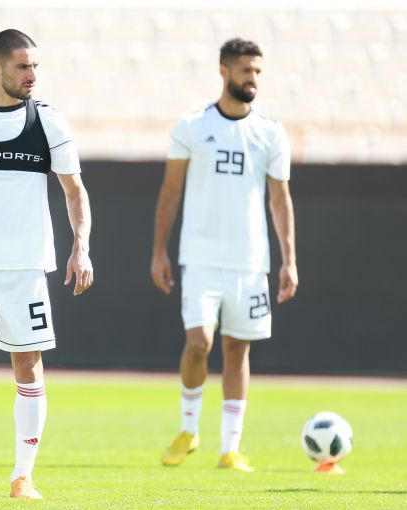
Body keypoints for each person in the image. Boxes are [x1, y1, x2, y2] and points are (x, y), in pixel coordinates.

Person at [0, 29, 93, 500]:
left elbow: (74, 191)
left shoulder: (48, 121)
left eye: (34, 67)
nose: (31, 75)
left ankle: (22, 476)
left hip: (26, 268)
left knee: (28, 366)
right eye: (22, 66)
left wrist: (81, 246)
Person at [151, 38, 298, 472]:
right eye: (245, 70)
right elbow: (170, 191)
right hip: (199, 259)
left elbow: (280, 199)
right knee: (199, 342)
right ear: (224, 71)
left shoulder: (271, 131)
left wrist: (289, 259)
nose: (252, 79)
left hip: (251, 262)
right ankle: (189, 428)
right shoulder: (192, 126)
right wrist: (159, 251)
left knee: (237, 349)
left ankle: (230, 449)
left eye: (257, 71)